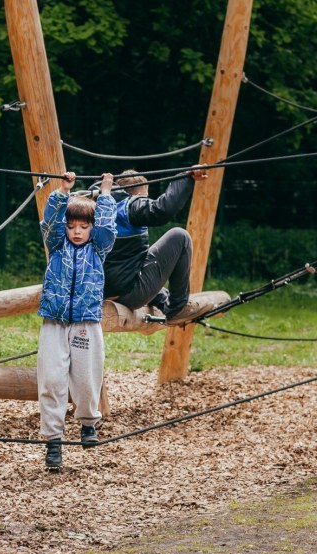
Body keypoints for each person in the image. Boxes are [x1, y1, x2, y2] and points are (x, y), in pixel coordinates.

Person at [37, 171, 117, 470]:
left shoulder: (99, 248)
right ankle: (53, 442)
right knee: (52, 381)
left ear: (92, 228)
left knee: (86, 378)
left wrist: (106, 192)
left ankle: (87, 423)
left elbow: (108, 227)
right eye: (72, 226)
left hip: (86, 321)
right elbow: (50, 223)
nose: (77, 231)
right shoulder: (57, 246)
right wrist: (62, 190)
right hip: (54, 322)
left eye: (84, 226)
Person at [103, 167, 208, 324]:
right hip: (129, 294)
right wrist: (185, 177)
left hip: (104, 289)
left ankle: (163, 302)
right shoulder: (130, 206)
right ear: (139, 195)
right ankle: (177, 309)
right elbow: (162, 210)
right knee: (180, 236)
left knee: (143, 255)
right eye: (146, 197)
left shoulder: (102, 207)